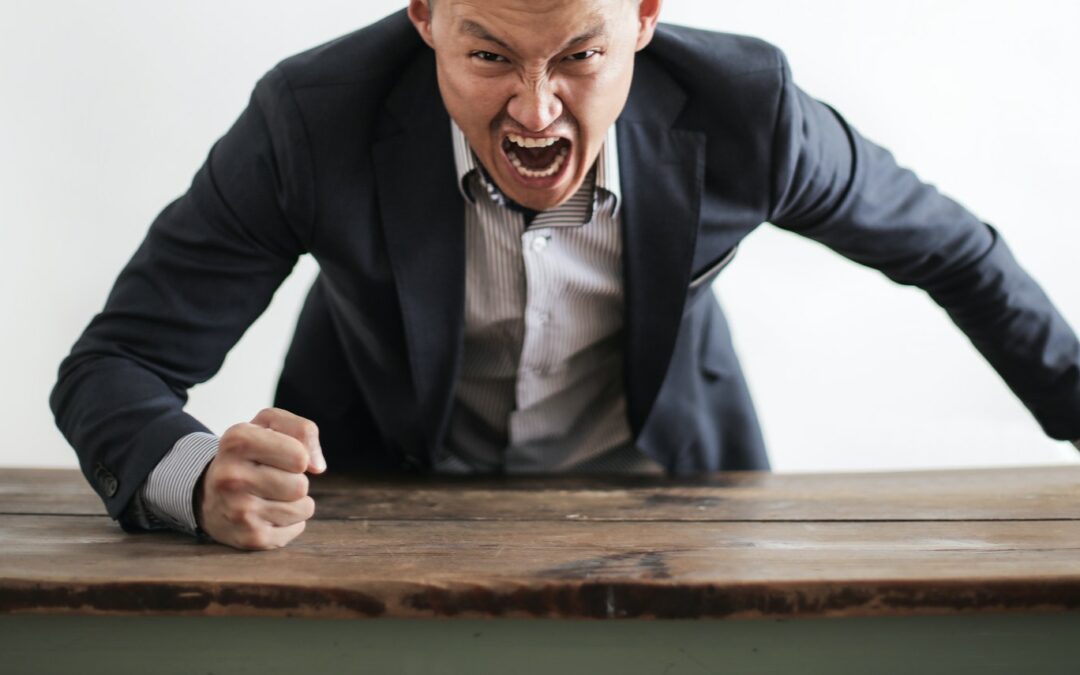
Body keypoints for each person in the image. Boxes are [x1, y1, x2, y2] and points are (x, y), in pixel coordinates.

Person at [51, 0, 1080, 551]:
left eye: (579, 57)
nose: (536, 114)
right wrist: (191, 481)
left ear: (644, 16)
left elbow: (954, 251)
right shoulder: (310, 121)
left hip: (670, 508)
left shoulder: (749, 110)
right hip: (374, 518)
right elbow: (118, 363)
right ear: (423, 17)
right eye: (489, 57)